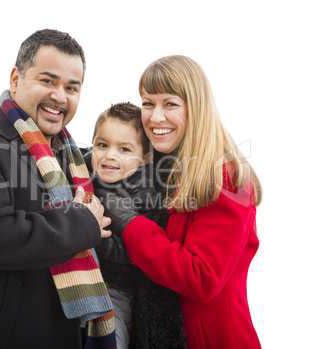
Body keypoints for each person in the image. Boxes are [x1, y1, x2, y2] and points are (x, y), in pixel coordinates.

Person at [0, 29, 116, 349]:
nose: (60, 97)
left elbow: (138, 173)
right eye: (48, 81)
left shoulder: (79, 160)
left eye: (71, 87)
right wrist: (82, 223)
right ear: (15, 79)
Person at [100, 55, 263, 348]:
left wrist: (129, 222)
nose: (155, 116)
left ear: (196, 107)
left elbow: (202, 278)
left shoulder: (225, 177)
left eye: (170, 104)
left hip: (211, 340)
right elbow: (104, 154)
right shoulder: (163, 165)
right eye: (147, 103)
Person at [85, 102, 155, 348]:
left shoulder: (144, 191)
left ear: (145, 159)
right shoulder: (84, 170)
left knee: (110, 339)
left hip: (117, 290)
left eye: (124, 149)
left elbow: (135, 252)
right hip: (84, 281)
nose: (110, 155)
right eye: (102, 145)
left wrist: (93, 238)